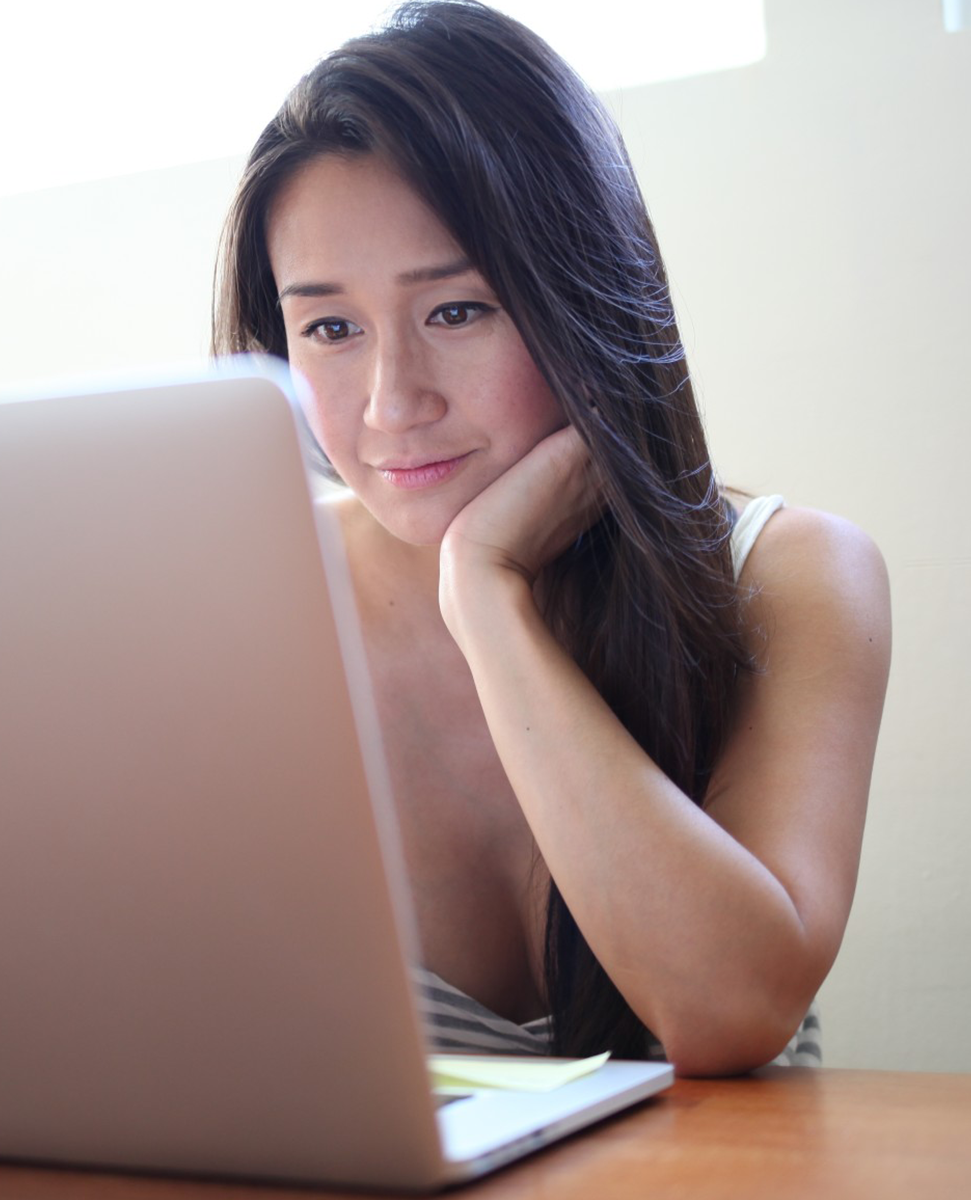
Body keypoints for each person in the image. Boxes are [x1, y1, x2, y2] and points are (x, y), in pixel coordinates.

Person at [213, 0, 890, 1075]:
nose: (392, 402)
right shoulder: (241, 603)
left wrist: (489, 599)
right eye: (330, 329)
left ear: (578, 301)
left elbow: (726, 1012)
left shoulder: (791, 572)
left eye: (458, 311)